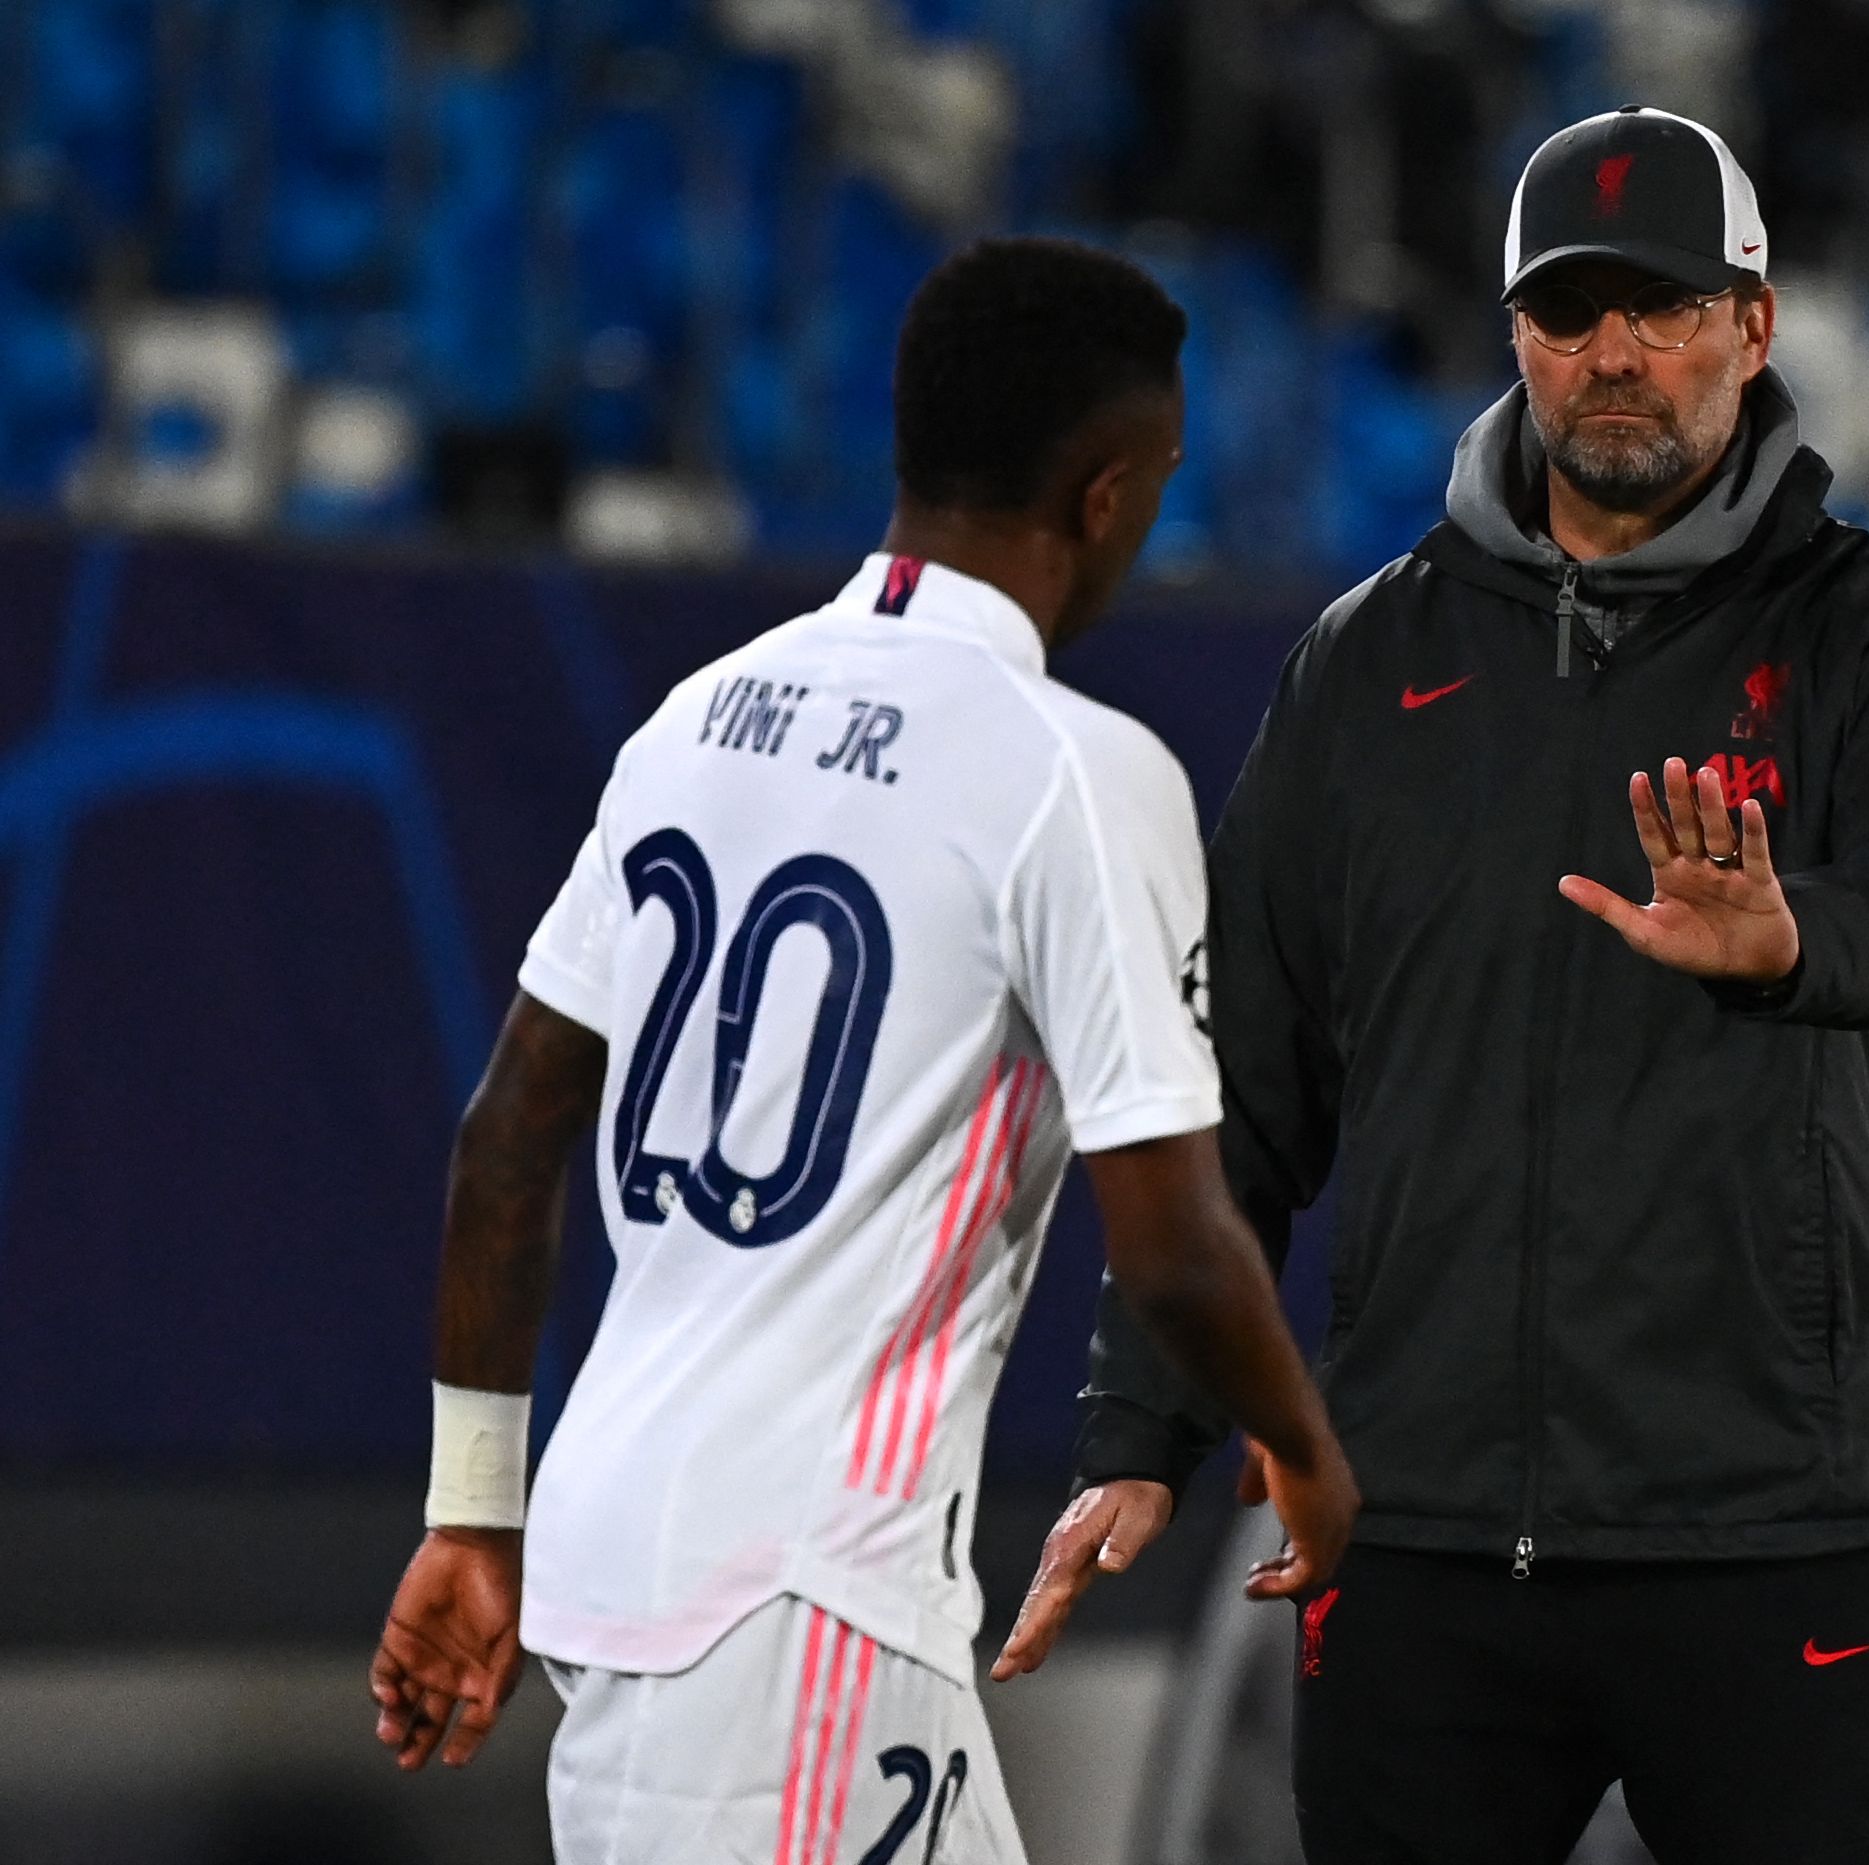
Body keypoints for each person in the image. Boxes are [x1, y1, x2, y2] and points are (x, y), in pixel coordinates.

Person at [999, 107, 1869, 1863]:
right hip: (1422, 1538)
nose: (1614, 354)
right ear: (1516, 338)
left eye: (1664, 307)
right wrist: (1140, 1426)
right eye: (1570, 312)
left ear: (1753, 327)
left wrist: (1786, 944)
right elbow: (1242, 1084)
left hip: (1783, 1531)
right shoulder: (1365, 661)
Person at [363, 237, 1357, 1865]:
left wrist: (476, 1508)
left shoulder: (698, 716)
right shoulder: (1072, 770)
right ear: (1105, 493)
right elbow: (1174, 1243)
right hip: (800, 1590)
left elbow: (510, 1134)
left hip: (638, 1551)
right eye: (1161, 482)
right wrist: (1306, 1452)